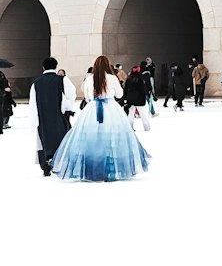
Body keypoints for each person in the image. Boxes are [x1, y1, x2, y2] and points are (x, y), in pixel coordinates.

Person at [51, 54, 150, 182]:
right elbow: (119, 94)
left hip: (92, 109)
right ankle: (112, 167)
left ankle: (92, 168)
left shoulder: (89, 79)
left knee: (91, 138)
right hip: (111, 108)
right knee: (113, 138)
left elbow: (86, 97)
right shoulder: (112, 78)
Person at [32, 56, 77, 176]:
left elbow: (33, 103)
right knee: (61, 138)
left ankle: (46, 164)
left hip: (42, 117)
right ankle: (61, 163)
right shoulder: (62, 80)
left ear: (43, 67)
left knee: (43, 140)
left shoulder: (36, 83)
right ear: (56, 66)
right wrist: (67, 108)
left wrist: (34, 120)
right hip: (59, 116)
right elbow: (71, 94)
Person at [123, 63, 151, 132]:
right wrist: (146, 94)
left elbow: (125, 89)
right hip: (139, 98)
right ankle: (146, 127)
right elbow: (143, 89)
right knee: (142, 113)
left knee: (131, 113)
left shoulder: (129, 78)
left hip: (130, 98)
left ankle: (130, 127)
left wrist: (125, 98)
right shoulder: (141, 78)